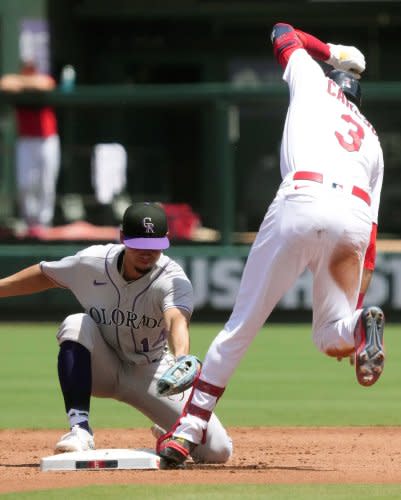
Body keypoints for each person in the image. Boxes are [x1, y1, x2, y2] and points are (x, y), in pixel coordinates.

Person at [157, 22, 385, 467]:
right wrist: (356, 301)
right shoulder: (373, 142)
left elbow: (283, 32)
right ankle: (358, 325)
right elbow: (371, 243)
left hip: (303, 197)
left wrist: (332, 50)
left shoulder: (313, 81)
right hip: (353, 216)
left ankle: (187, 431)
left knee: (241, 327)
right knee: (327, 335)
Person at [0, 201, 232, 464]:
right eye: (139, 246)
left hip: (153, 374)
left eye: (154, 246)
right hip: (102, 366)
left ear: (166, 241)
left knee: (218, 451)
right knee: (76, 323)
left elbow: (176, 320)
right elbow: (45, 274)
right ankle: (80, 430)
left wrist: (181, 358)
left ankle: (167, 427)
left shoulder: (172, 279)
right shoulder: (93, 262)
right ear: (122, 237)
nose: (147, 253)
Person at [0, 60, 60, 233]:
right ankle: (30, 223)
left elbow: (46, 84)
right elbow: (4, 83)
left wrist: (26, 84)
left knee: (46, 182)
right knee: (25, 183)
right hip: (26, 139)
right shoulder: (17, 80)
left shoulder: (42, 79)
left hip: (47, 138)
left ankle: (44, 223)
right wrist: (25, 83)